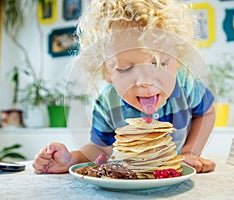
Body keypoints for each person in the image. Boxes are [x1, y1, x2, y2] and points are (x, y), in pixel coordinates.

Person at [32, 0, 216, 174]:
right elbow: (99, 148)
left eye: (159, 63)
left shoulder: (186, 86)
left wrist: (190, 152)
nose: (145, 81)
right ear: (107, 71)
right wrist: (71, 159)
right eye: (125, 69)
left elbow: (207, 112)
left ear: (178, 58)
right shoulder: (106, 103)